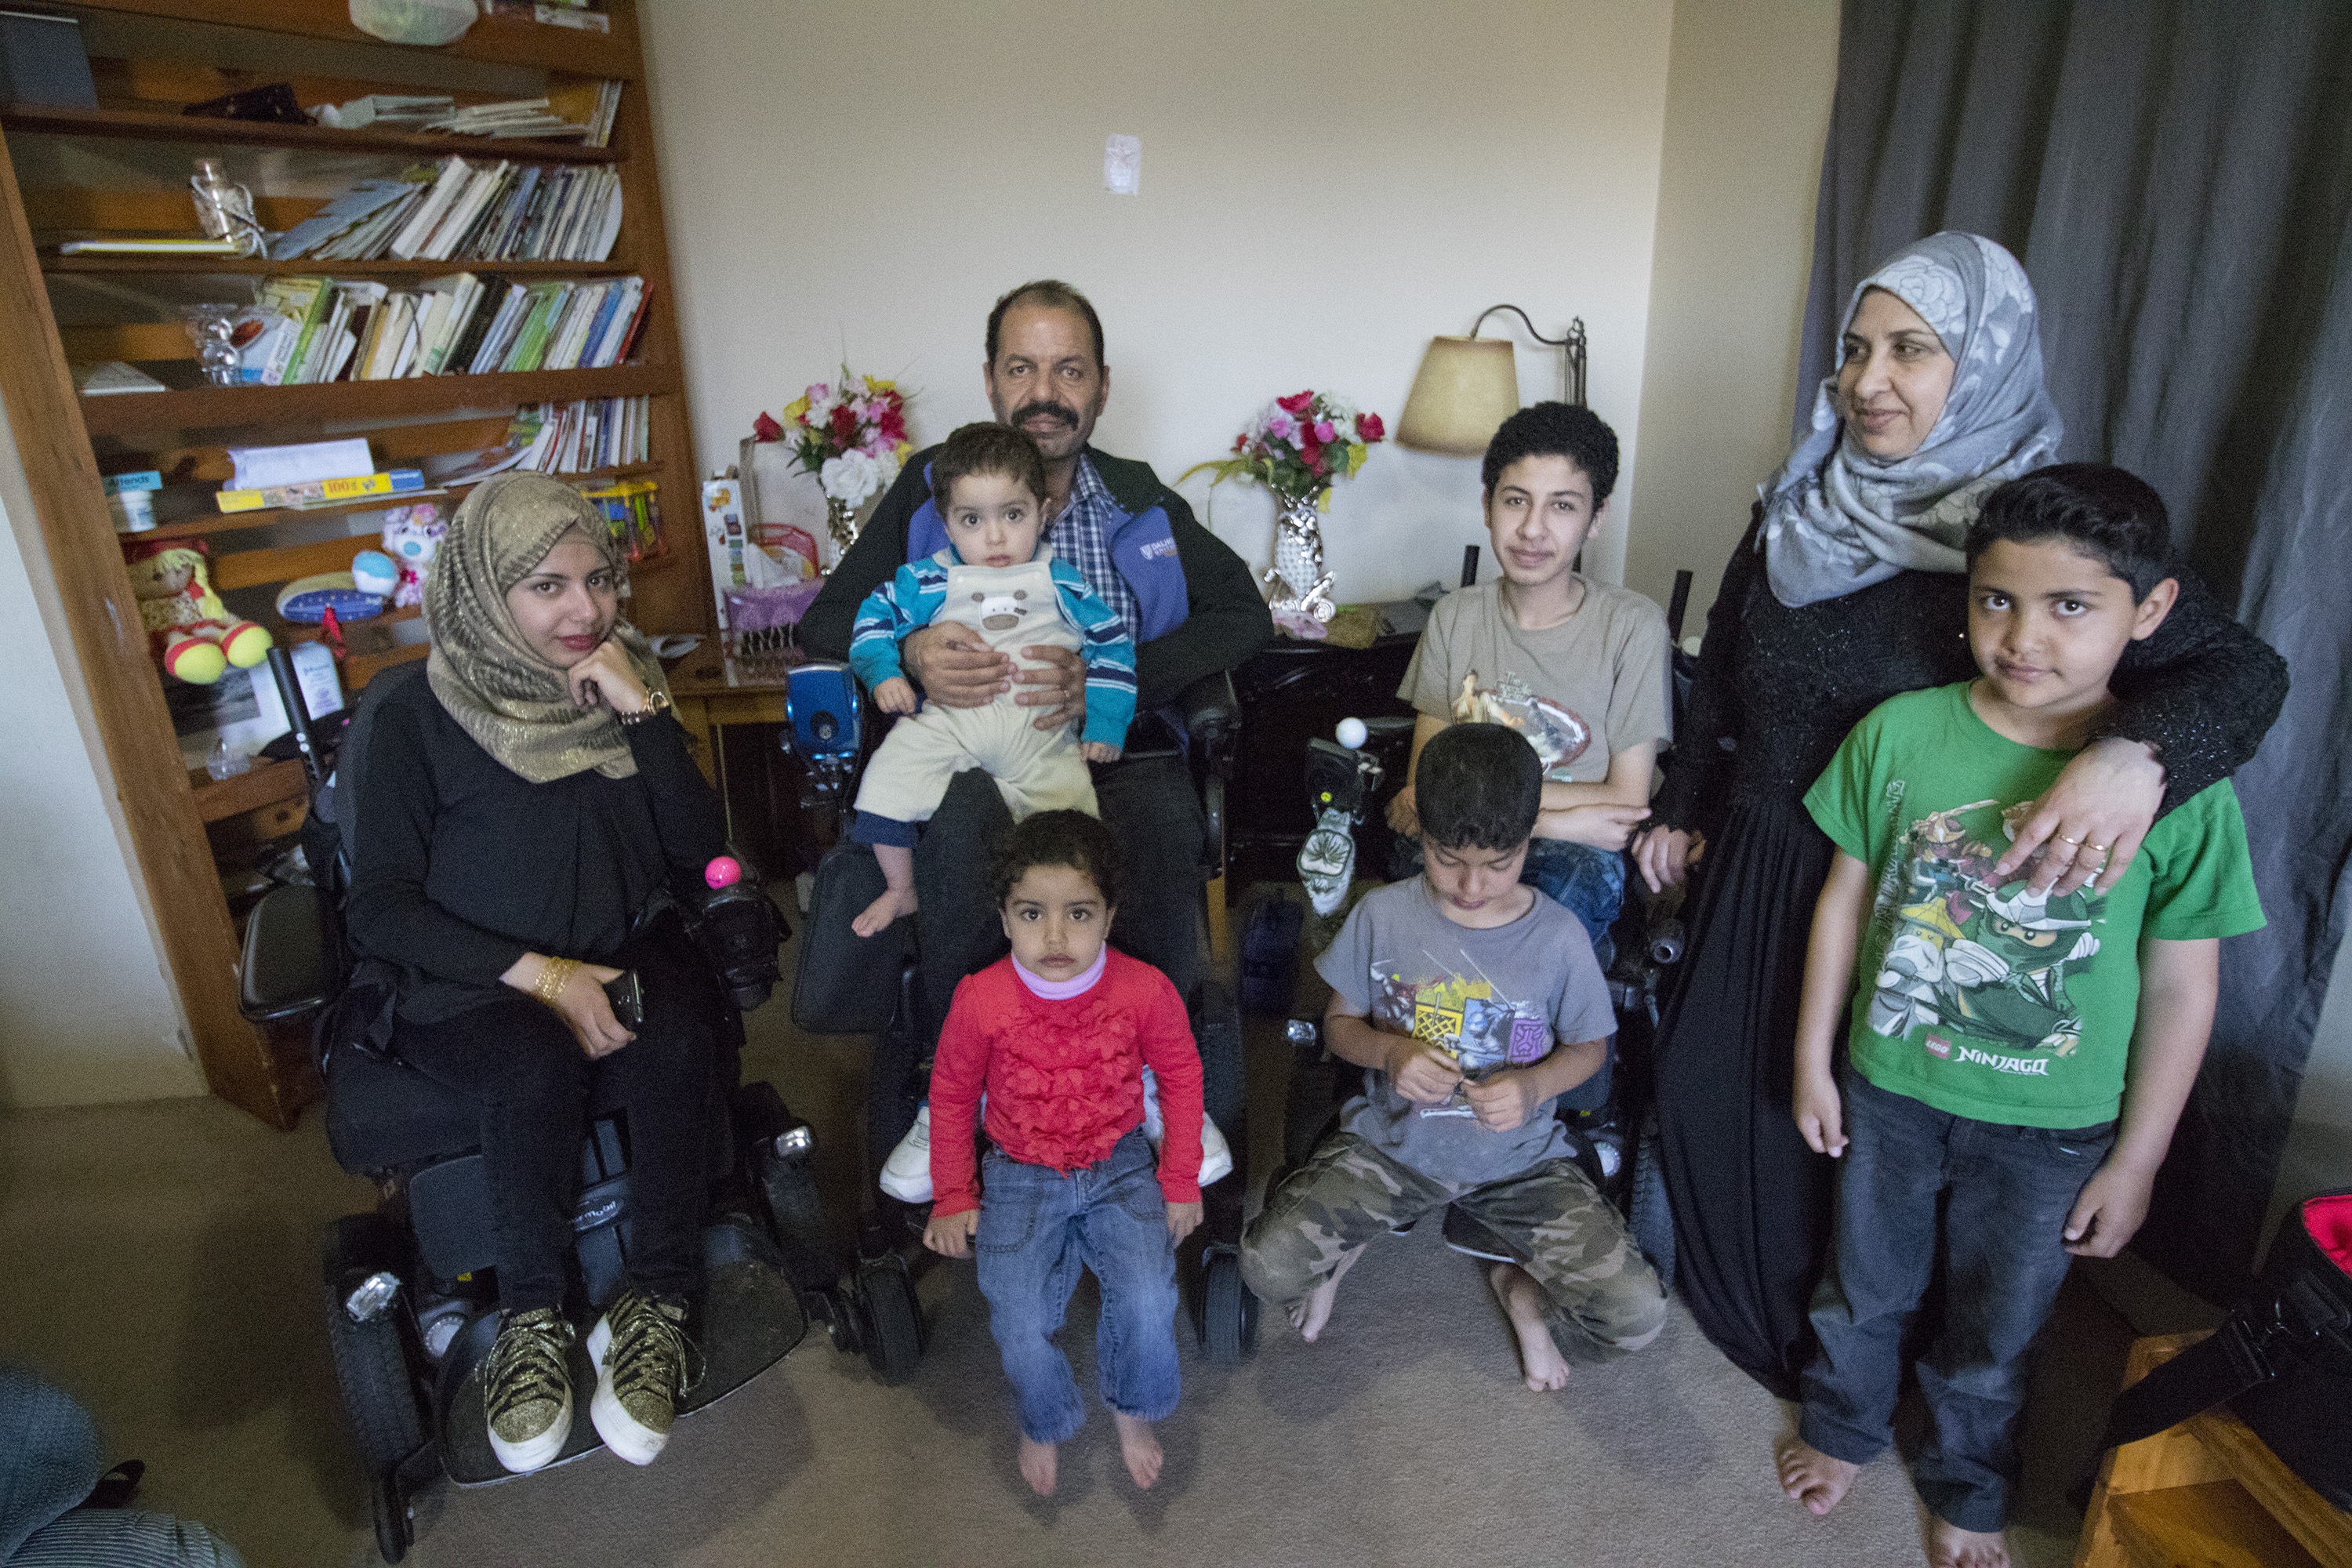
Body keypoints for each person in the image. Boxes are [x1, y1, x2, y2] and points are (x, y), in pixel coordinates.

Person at [1632, 231, 2288, 1396]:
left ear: (1981, 362)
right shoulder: (1799, 502)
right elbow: (1727, 662)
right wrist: (1683, 802)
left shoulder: (2033, 541)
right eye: (1854, 349)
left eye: (1910, 351)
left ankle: (1892, 1378)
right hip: (1770, 859)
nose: (1866, 380)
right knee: (1727, 1106)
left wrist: (2138, 757)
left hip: (1914, 897)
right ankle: (1810, 1357)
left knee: (1887, 1154)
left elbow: (2243, 671)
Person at [1770, 466, 2264, 1568]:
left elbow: (2188, 985)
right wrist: (1813, 1057)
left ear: (2152, 612)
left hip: (2052, 1126)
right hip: (1890, 1090)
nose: (2023, 636)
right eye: (1998, 599)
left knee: (1996, 1332)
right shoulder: (1899, 734)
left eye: (2070, 606)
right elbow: (1844, 901)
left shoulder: (2178, 790)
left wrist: (2138, 1158)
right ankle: (1844, 1428)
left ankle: (1969, 1478)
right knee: (1864, 1286)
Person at [801, 280, 1272, 1165]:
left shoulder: (1140, 500)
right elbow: (830, 617)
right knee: (961, 841)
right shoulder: (930, 488)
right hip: (970, 752)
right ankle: (959, 1091)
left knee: (1156, 842)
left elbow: (1244, 614)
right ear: (990, 381)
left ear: (1101, 387)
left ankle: (1161, 1091)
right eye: (1023, 367)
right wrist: (907, 655)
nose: (1045, 391)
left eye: (1069, 369)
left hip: (1111, 751)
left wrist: (1118, 677)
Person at [345, 474, 731, 1472]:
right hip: (469, 976)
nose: (586, 609)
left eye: (598, 580)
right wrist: (543, 974)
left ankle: (658, 1298)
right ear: (484, 592)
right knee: (531, 1068)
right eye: (548, 586)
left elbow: (698, 851)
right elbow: (379, 905)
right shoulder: (412, 715)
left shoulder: (622, 676)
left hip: (621, 938)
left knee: (685, 1027)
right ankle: (534, 1319)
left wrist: (644, 713)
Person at [1241, 724, 1666, 1391]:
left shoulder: (1557, 936)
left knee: (1636, 1318)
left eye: (1499, 864)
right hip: (1391, 1150)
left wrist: (1531, 1090)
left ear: (1530, 840)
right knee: (1268, 1267)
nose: (1471, 885)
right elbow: (1340, 1025)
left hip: (1522, 1164)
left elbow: (1589, 1048)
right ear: (1421, 837)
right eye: (1447, 859)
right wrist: (1391, 1051)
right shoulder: (1383, 914)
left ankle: (1521, 1296)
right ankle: (1342, 1254)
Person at [920, 811, 1204, 1498]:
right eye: (1031, 913)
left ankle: (1131, 1411)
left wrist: (1180, 1178)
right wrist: (953, 1193)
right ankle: (1042, 1417)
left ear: (1109, 917)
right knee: (1016, 1315)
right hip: (1020, 1174)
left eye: (1078, 913)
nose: (1054, 937)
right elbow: (953, 1094)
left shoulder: (1145, 990)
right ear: (1003, 916)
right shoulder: (981, 999)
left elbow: (1183, 1075)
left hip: (1120, 1165)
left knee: (1146, 1297)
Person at [1386, 401, 1671, 953]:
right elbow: (1429, 777)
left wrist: (1529, 827)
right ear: (1488, 505)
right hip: (1462, 843)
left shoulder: (1632, 625)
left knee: (1528, 943)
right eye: (1516, 501)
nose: (1533, 529)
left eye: (1562, 506)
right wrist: (1561, 819)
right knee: (1406, 930)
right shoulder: (1456, 616)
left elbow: (1624, 798)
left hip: (1572, 857)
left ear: (1597, 517)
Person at [844, 422, 1134, 938]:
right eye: (972, 519)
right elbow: (870, 621)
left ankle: (1072, 928)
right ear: (947, 524)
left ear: (1043, 513)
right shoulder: (925, 579)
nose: (995, 536)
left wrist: (1107, 722)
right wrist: (884, 671)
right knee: (882, 786)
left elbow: (1112, 644)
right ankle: (900, 887)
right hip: (950, 728)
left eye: (1014, 515)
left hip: (1040, 739)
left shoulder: (1062, 581)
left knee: (1076, 838)